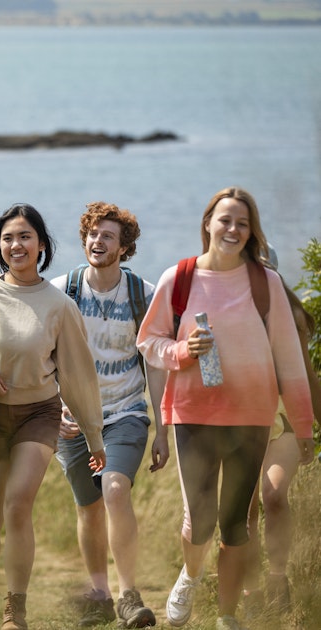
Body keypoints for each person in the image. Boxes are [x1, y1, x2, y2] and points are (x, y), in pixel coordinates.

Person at [136, 187, 314, 630]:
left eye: (242, 223)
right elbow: (148, 341)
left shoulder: (264, 282)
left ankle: (227, 614)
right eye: (225, 220)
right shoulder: (177, 278)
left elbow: (290, 359)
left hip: (252, 416)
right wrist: (182, 351)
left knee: (237, 522)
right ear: (208, 224)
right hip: (193, 411)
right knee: (200, 520)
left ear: (251, 232)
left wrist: (304, 425)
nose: (233, 229)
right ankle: (191, 575)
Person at [0, 203, 106, 630]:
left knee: (18, 505)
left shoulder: (58, 305)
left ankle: (16, 609)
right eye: (8, 238)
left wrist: (93, 435)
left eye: (26, 237)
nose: (17, 245)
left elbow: (79, 376)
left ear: (42, 246)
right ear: (0, 246)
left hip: (39, 412)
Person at [50, 202, 169, 628]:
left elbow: (155, 364)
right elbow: (44, 355)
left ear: (124, 247)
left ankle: (128, 596)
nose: (97, 242)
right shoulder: (63, 289)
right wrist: (52, 408)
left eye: (108, 236)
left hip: (126, 414)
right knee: (89, 506)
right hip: (73, 418)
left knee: (115, 489)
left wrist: (162, 430)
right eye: (92, 234)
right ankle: (98, 593)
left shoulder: (144, 294)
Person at [242, 248, 320, 619]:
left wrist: (309, 424)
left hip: (283, 424)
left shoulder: (291, 316)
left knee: (272, 496)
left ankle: (278, 582)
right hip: (239, 423)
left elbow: (305, 375)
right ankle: (249, 592)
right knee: (243, 510)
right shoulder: (227, 313)